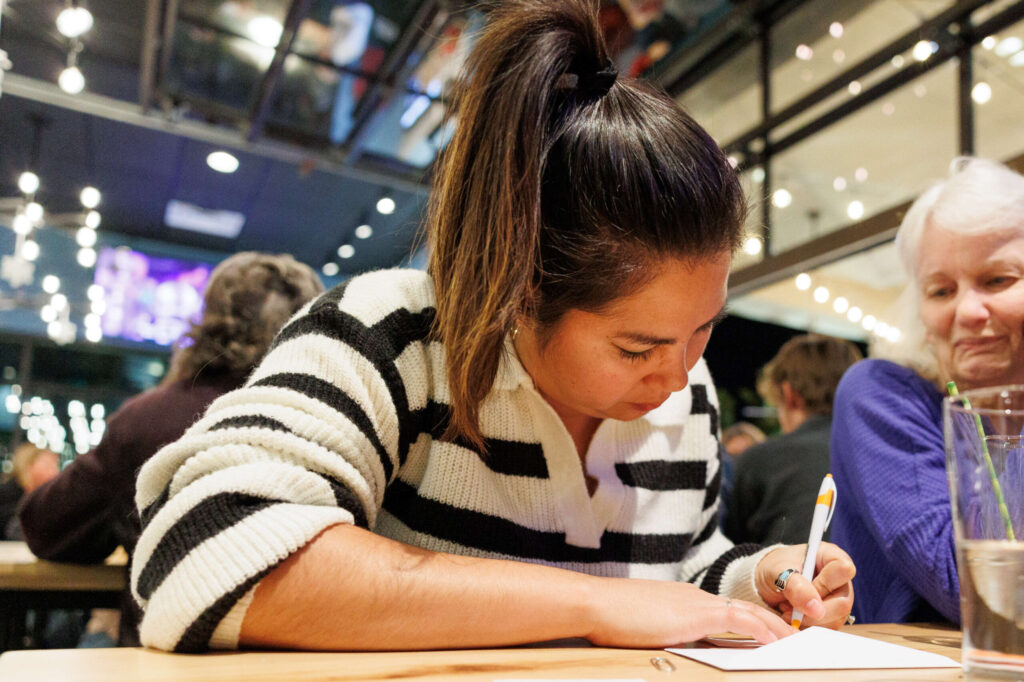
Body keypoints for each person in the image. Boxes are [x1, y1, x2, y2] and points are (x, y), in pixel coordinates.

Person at [130, 0, 855, 654]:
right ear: (518, 292)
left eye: (704, 330)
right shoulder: (390, 334)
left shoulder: (687, 387)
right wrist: (597, 605)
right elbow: (200, 552)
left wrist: (758, 578)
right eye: (637, 347)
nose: (678, 375)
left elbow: (682, 569)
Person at [17, 252, 324, 646]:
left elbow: (45, 527)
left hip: (165, 659)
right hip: (304, 663)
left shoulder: (144, 421)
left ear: (206, 322)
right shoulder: (320, 426)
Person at [830, 156, 1024, 625]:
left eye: (997, 280)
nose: (967, 311)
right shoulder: (883, 394)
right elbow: (976, 589)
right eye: (940, 291)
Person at [724, 335, 862, 545]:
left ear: (789, 393)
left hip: (782, 577)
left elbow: (731, 554)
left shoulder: (760, 460)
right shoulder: (881, 456)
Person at [0, 444, 58, 540]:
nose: (55, 471)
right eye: (48, 465)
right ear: (28, 465)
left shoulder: (44, 497)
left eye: (55, 465)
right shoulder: (6, 494)